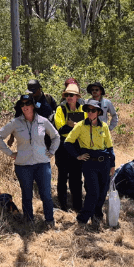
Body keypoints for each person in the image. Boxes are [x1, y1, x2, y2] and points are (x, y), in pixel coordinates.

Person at [0, 93, 60, 226]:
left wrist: (52, 151)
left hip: (42, 163)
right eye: (22, 104)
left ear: (33, 105)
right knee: (27, 195)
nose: (25, 107)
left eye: (28, 103)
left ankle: (49, 221)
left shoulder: (43, 121)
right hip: (23, 165)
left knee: (46, 195)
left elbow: (56, 136)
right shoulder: (15, 123)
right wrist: (10, 153)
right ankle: (29, 222)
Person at [64, 99, 116, 228]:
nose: (90, 113)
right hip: (89, 163)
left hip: (104, 163)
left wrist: (112, 164)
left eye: (93, 110)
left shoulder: (104, 126)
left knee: (103, 193)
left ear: (98, 112)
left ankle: (97, 216)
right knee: (94, 192)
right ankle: (82, 219)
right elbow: (68, 142)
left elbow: (110, 147)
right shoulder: (80, 125)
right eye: (88, 110)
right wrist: (78, 156)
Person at [54, 83, 86, 211]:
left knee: (76, 178)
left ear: (77, 96)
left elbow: (85, 127)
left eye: (71, 95)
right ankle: (63, 207)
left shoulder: (83, 109)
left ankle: (77, 206)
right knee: (62, 177)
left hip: (78, 146)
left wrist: (72, 125)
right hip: (63, 146)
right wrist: (75, 126)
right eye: (67, 95)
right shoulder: (60, 109)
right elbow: (60, 129)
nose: (69, 97)